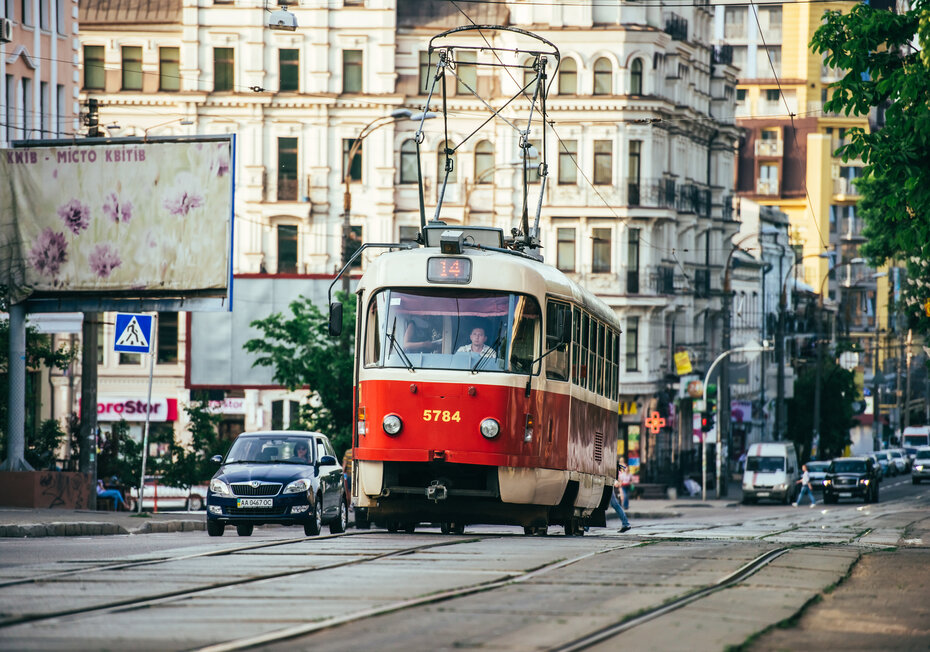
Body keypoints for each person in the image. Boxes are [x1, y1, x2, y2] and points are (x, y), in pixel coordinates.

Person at [610, 463, 632, 532]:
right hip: (607, 484)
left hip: (605, 484)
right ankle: (625, 523)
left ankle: (586, 526)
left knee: (596, 504)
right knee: (615, 504)